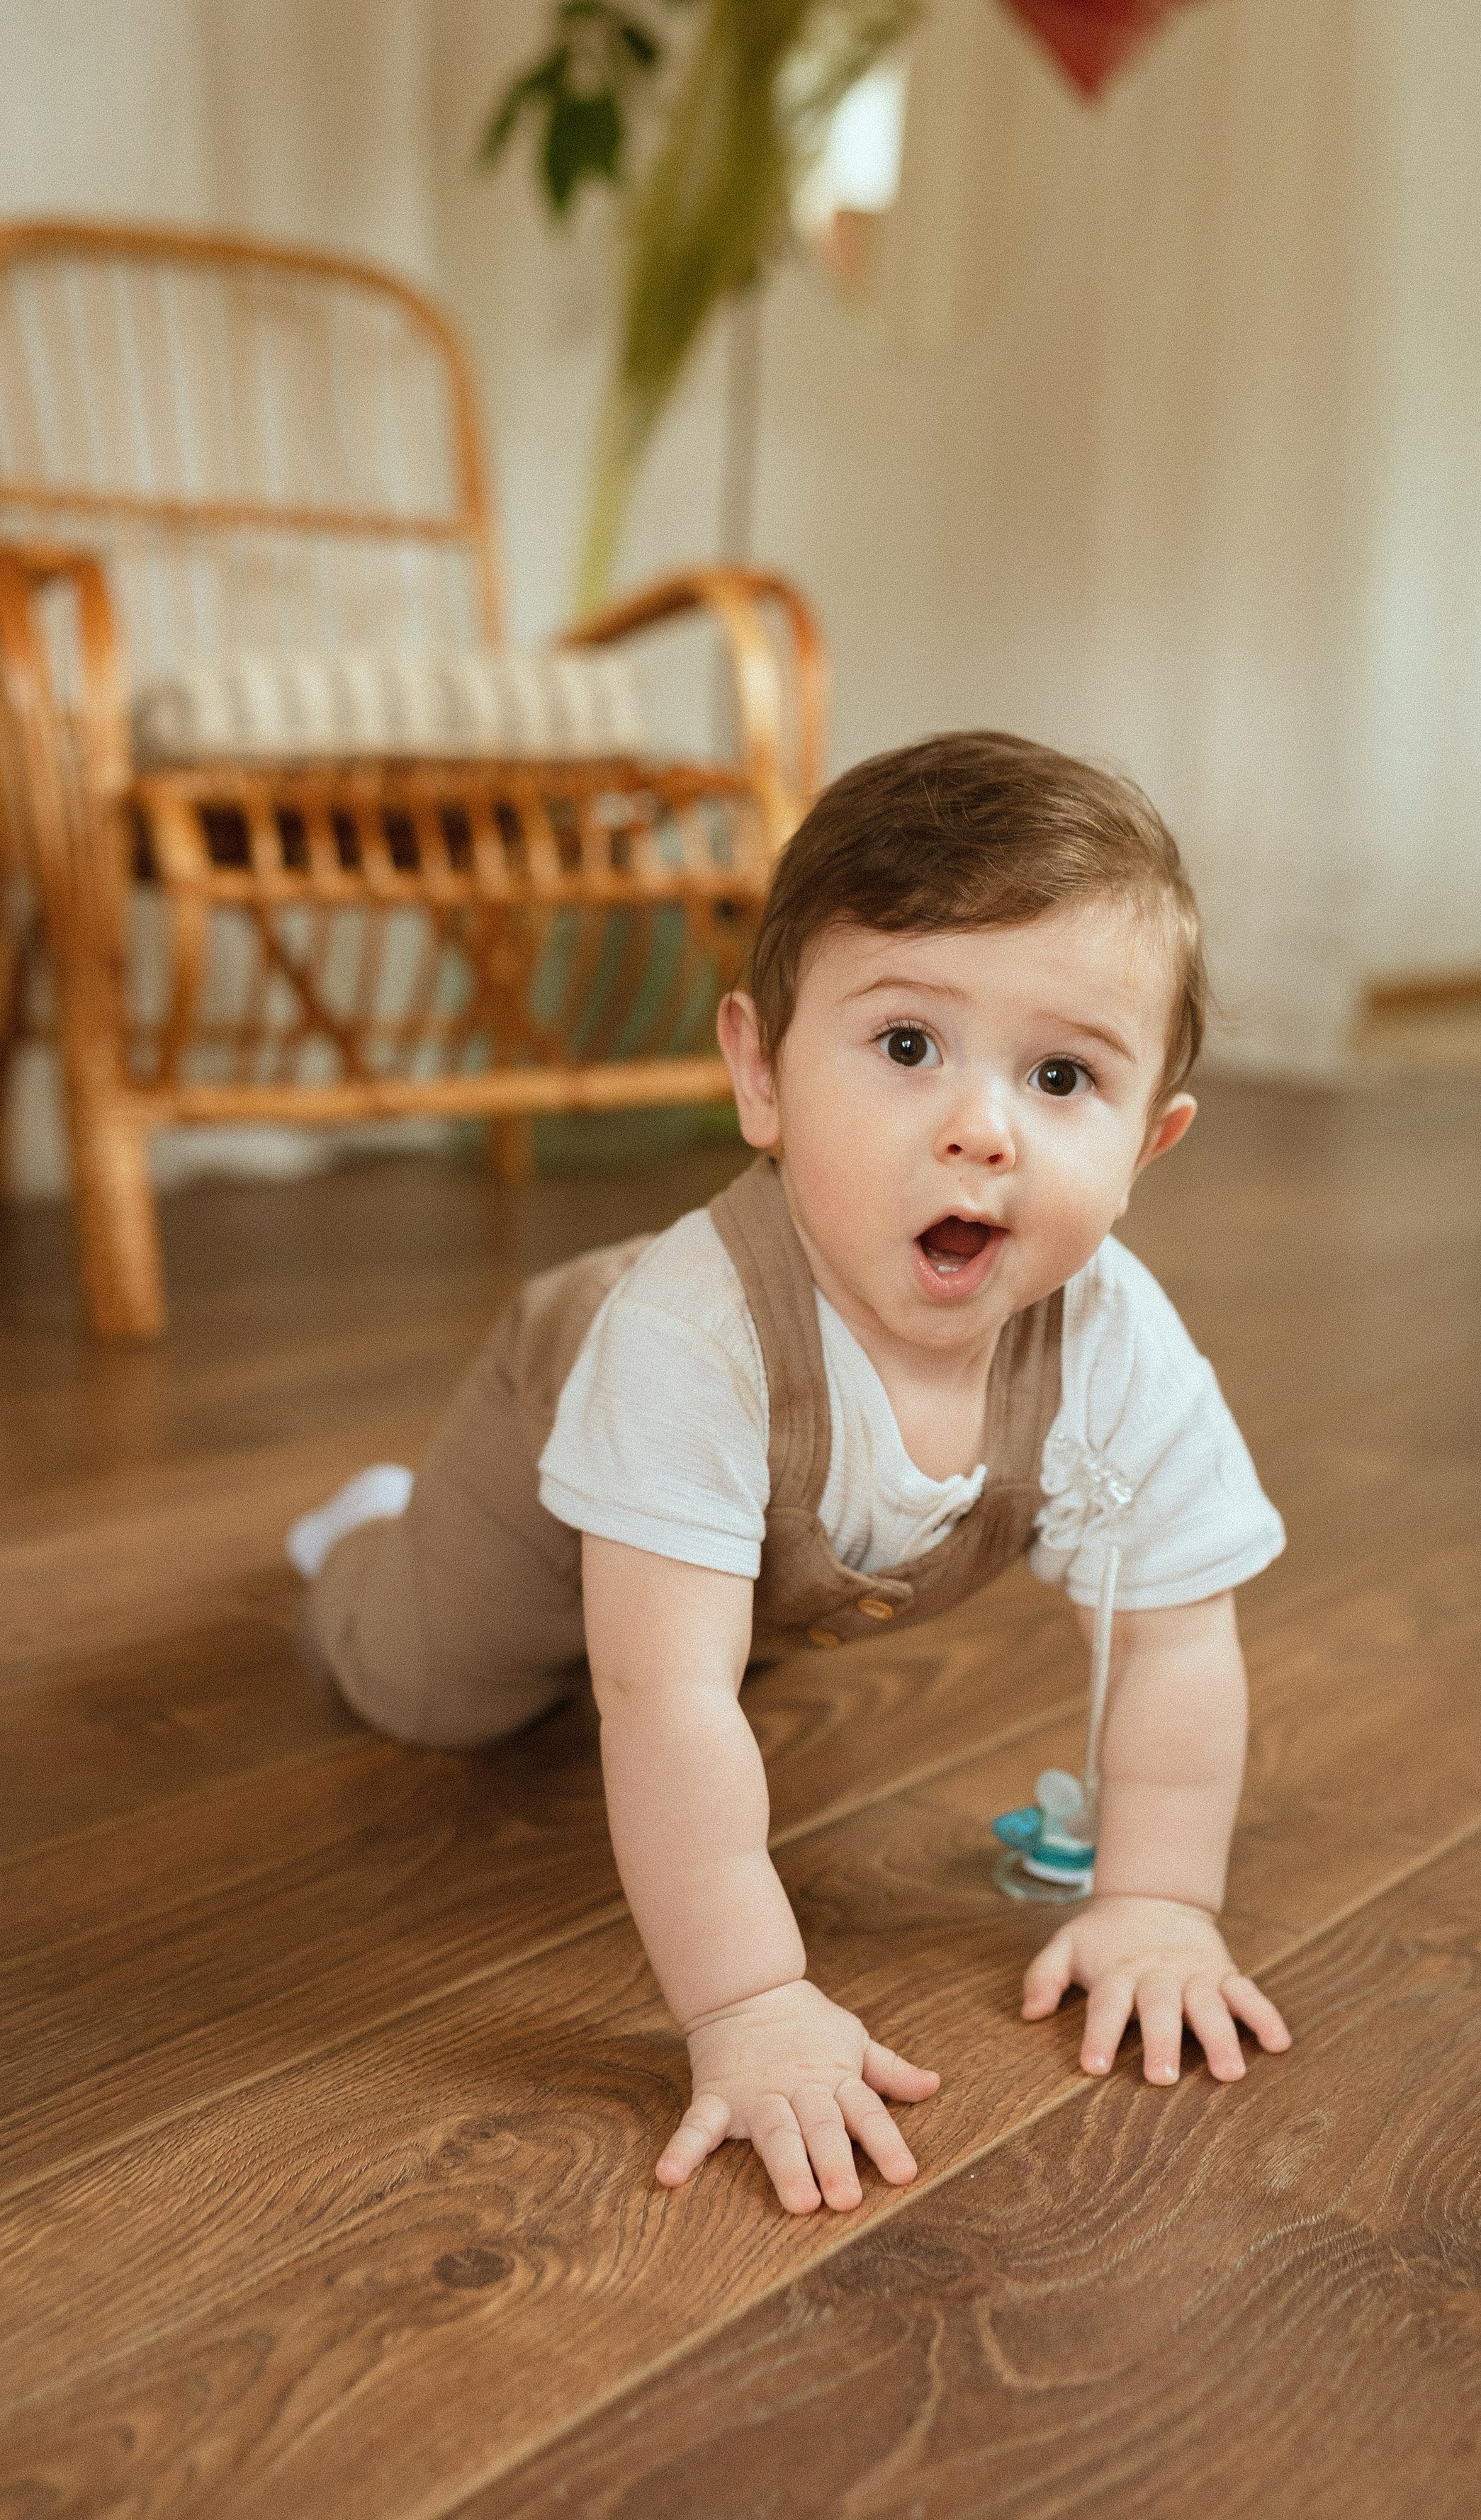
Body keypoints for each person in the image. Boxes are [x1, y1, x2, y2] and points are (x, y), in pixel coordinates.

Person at [291, 730, 1292, 2216]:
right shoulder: (683, 1341)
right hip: (570, 1385)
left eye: (1062, 1074)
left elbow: (1169, 1637)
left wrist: (1153, 1902)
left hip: (761, 1508)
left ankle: (697, 1571)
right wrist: (749, 2002)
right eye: (905, 1047)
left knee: (721, 1626)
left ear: (1150, 1143)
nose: (978, 1128)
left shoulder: (1116, 1342)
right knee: (447, 1694)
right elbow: (662, 1703)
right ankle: (367, 1533)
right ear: (759, 1075)